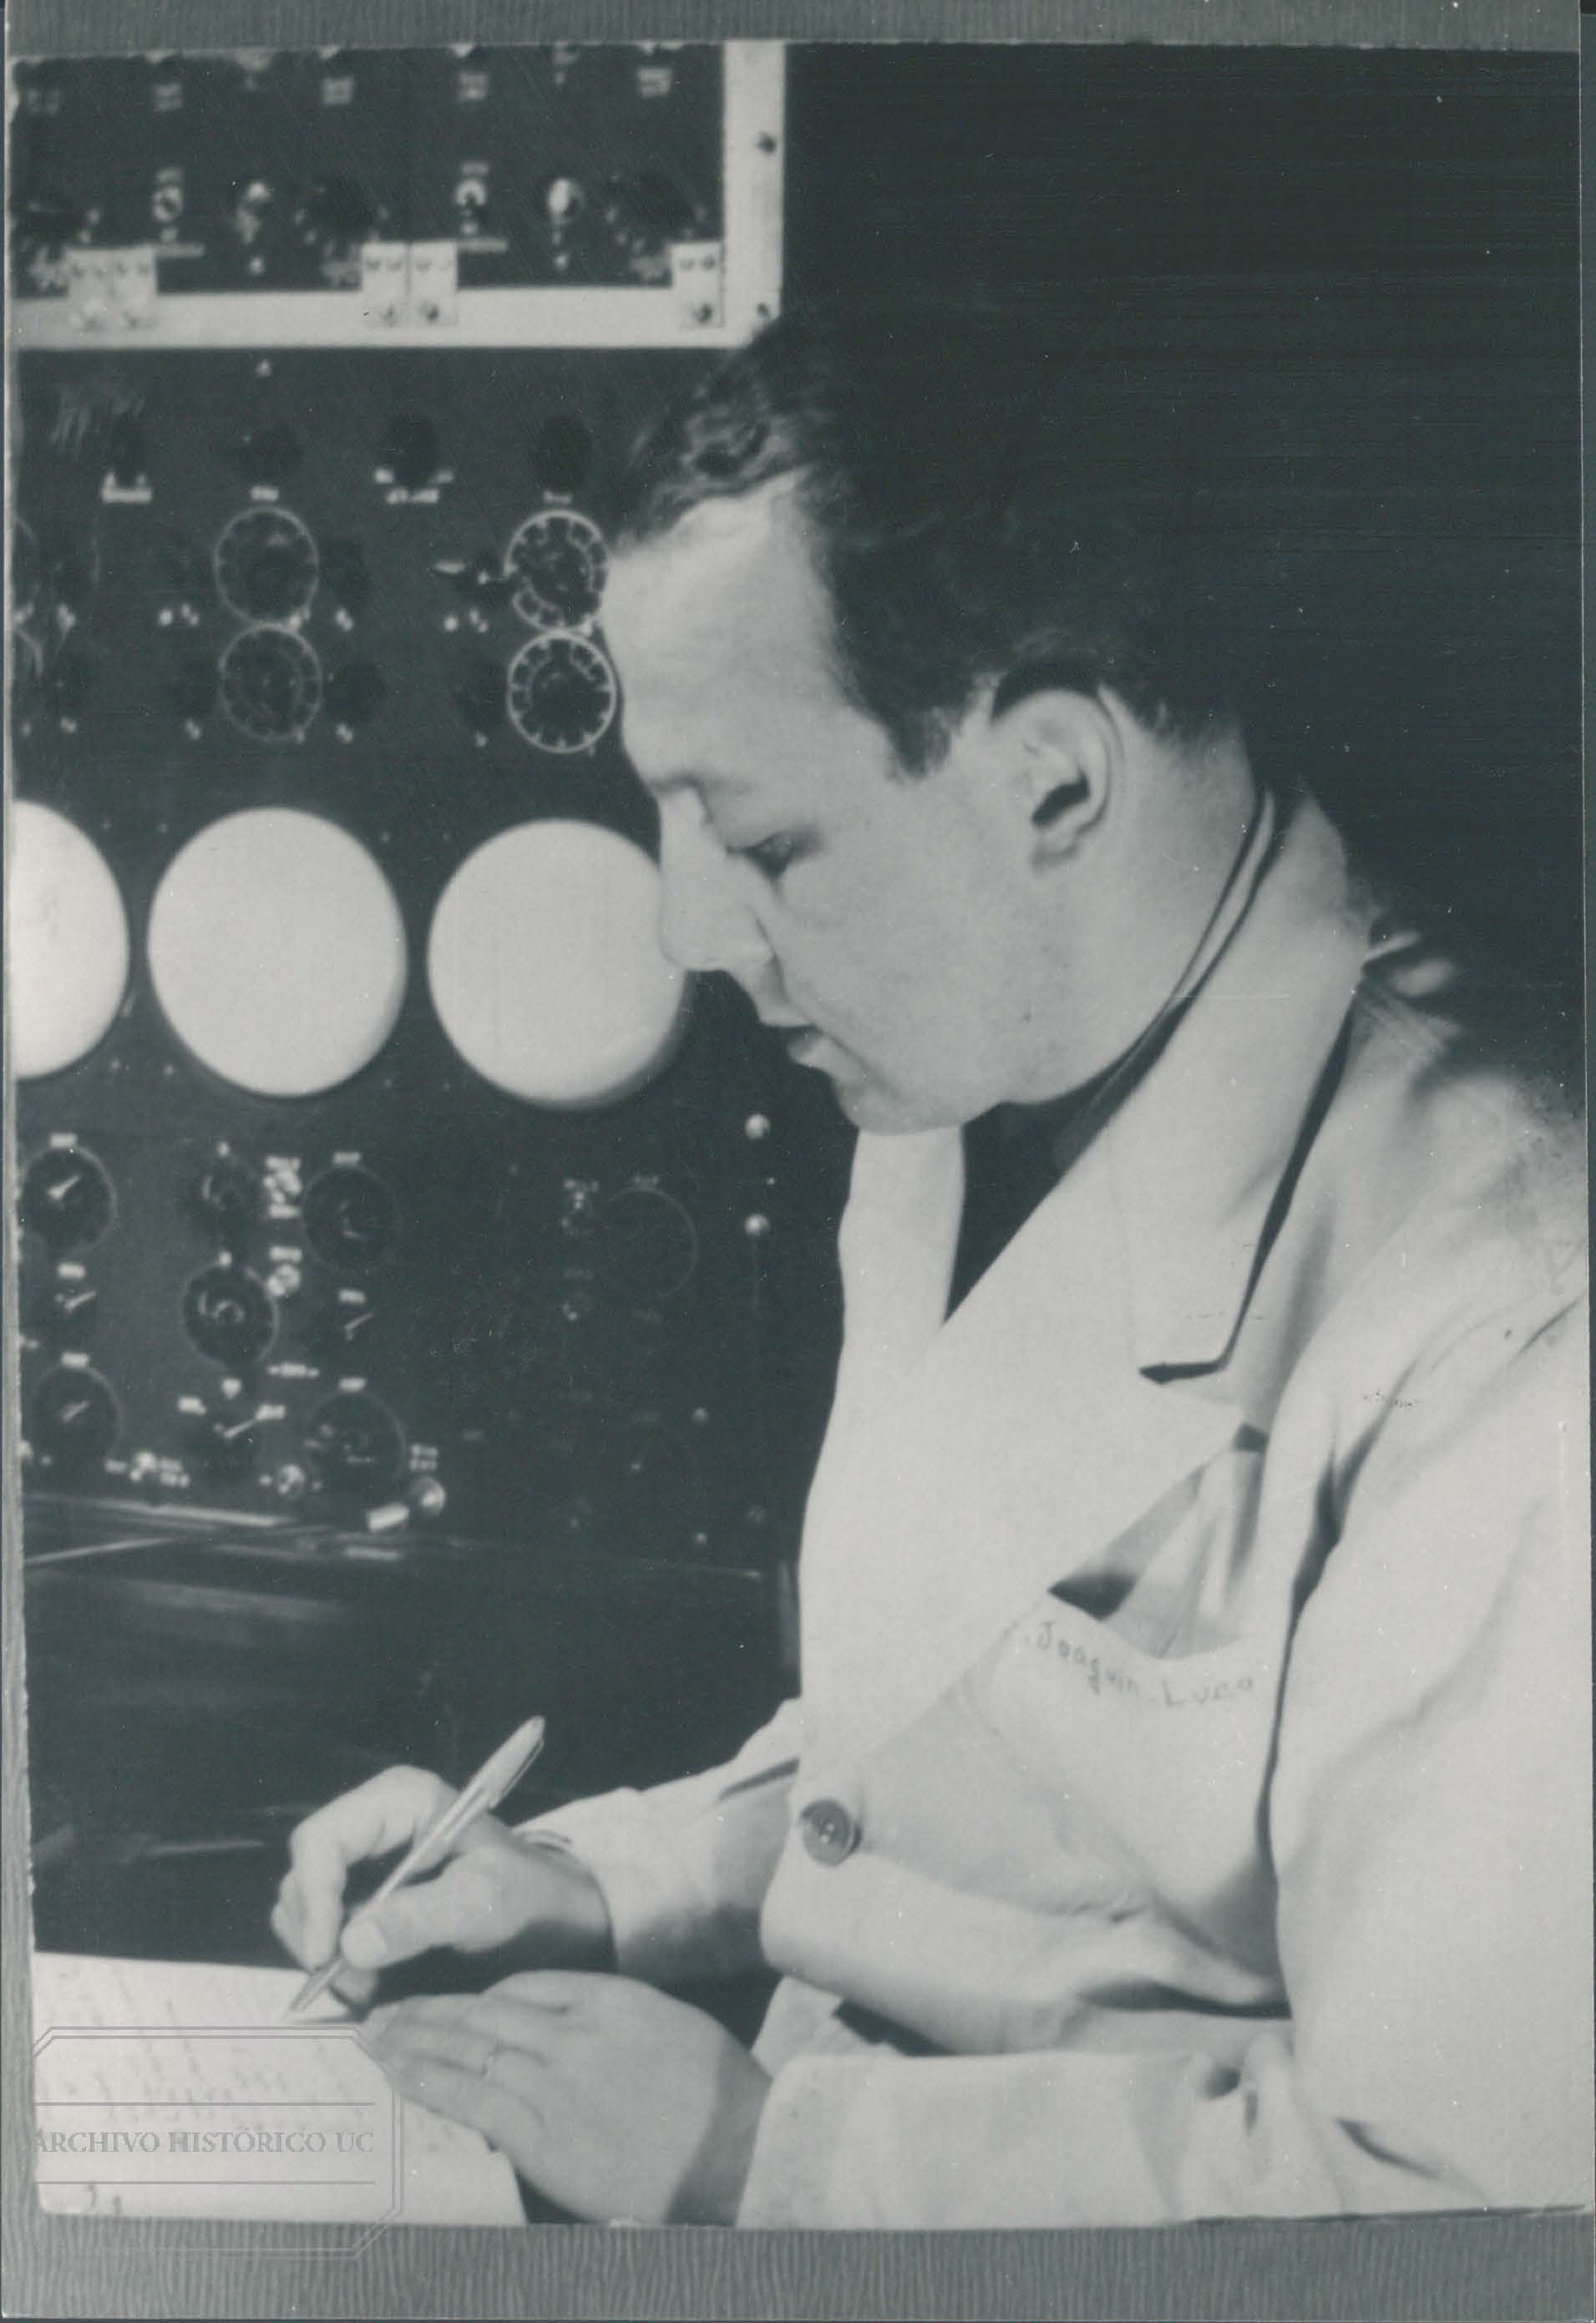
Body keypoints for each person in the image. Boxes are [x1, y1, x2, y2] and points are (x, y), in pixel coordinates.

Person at [273, 306, 1591, 2228]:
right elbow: (962, 1742)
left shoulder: (1503, 1322)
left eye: (759, 839)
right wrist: (604, 1877)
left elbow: (1472, 2211)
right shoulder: (959, 1057)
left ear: (1051, 780)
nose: (685, 926)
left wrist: (768, 2155)